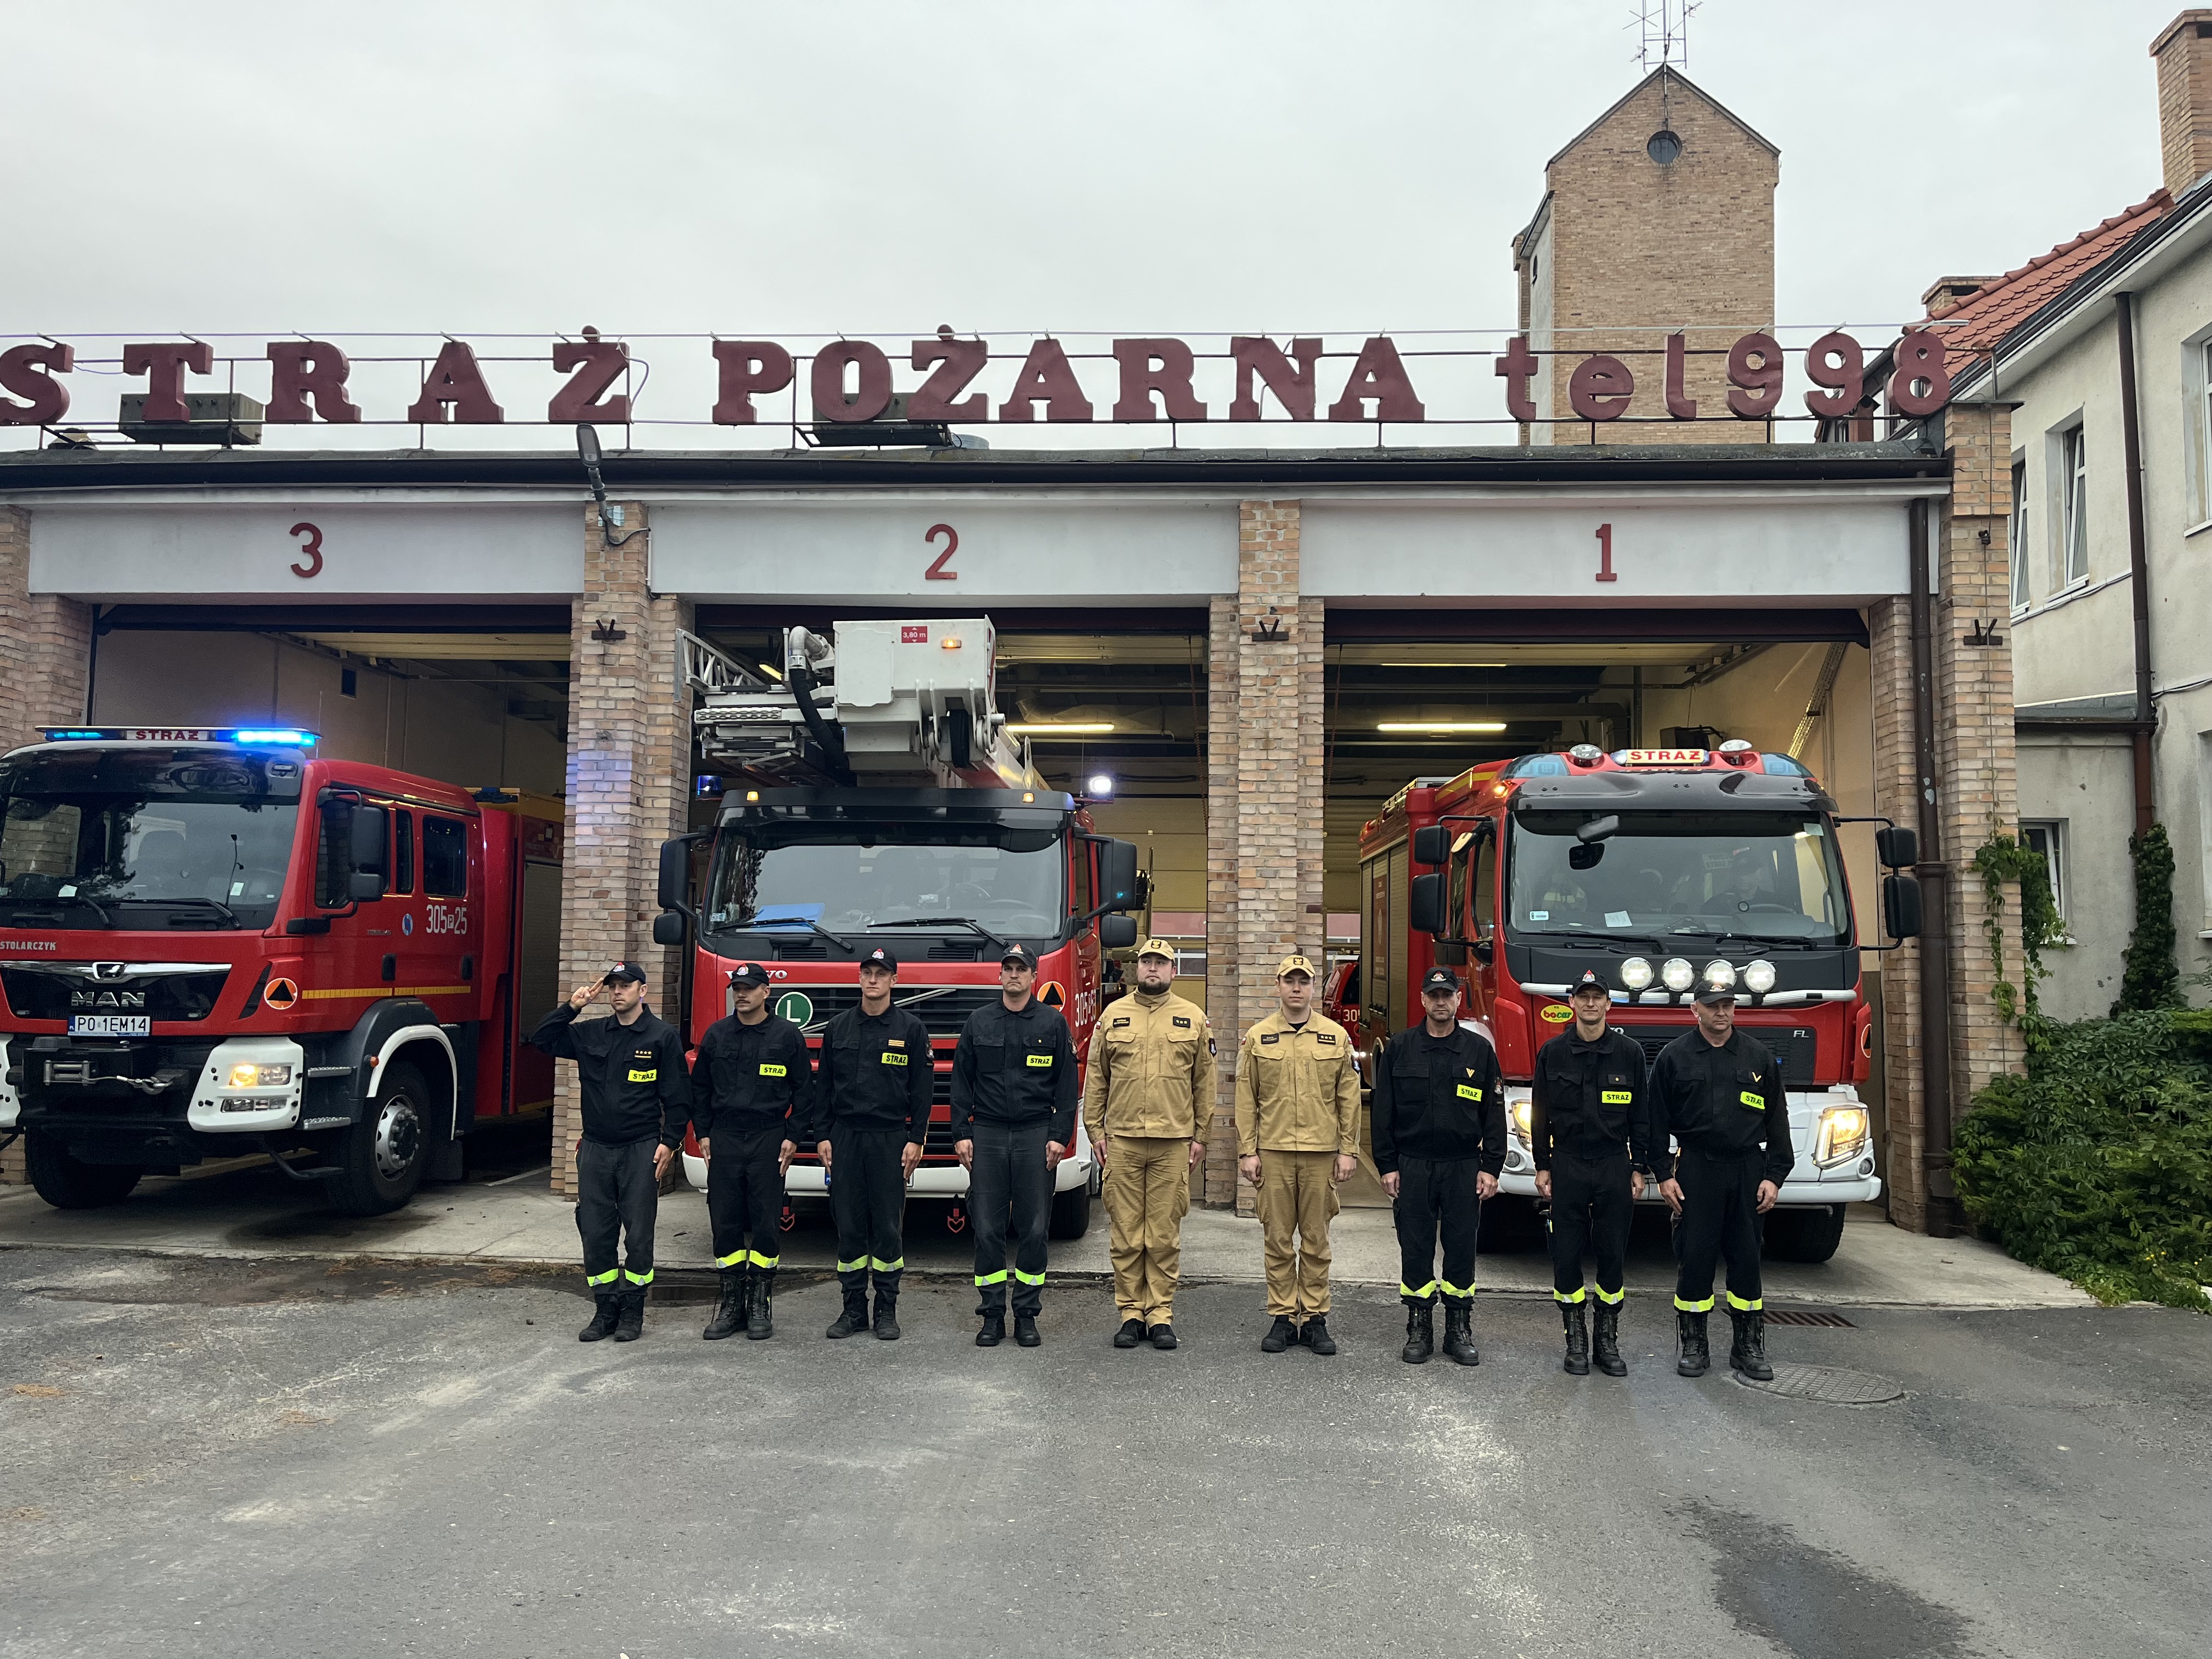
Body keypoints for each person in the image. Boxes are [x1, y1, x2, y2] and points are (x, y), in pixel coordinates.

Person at [531, 961, 691, 1344]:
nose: (618, 992)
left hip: (641, 1149)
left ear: (642, 991)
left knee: (638, 1235)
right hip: (596, 1149)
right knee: (596, 1231)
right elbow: (540, 1039)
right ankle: (605, 1309)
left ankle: (633, 1311)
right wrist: (573, 1006)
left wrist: (670, 1142)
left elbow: (679, 1097)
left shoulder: (662, 1037)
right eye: (613, 986)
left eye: (626, 985)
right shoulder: (590, 1033)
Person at [1650, 979, 1796, 1380]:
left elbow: (1777, 1120)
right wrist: (1663, 1174)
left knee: (1747, 1258)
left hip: (1748, 1169)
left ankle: (1748, 1345)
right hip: (1696, 1168)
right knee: (1695, 1257)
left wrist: (1775, 1177)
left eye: (1728, 1005)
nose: (1721, 1012)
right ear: (1694, 1009)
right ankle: (1694, 1344)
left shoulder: (1758, 1056)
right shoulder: (1674, 1057)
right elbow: (1655, 1121)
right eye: (1713, 1005)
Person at [1081, 938, 1212, 1350]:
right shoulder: (1113, 1016)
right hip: (1123, 1141)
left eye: (1161, 962)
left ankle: (1160, 1315)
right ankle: (1130, 1314)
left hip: (1173, 1142)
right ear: (1136, 968)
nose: (1152, 968)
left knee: (1163, 1235)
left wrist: (1201, 1136)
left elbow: (1205, 1084)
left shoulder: (1193, 1018)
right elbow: (1096, 1078)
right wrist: (1096, 1132)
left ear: (1174, 970)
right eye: (1146, 962)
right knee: (1125, 1234)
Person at [1371, 968, 1505, 1368]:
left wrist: (1492, 1166)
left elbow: (1494, 1113)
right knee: (1416, 1246)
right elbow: (1383, 1112)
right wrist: (1387, 1165)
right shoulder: (1401, 1048)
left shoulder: (1478, 1051)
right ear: (1423, 1000)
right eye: (1434, 995)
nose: (1441, 1002)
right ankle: (1419, 1328)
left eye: (1448, 995)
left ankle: (1458, 1329)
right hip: (1413, 1165)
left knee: (1461, 1247)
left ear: (1458, 1000)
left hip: (1463, 1165)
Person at [951, 943, 1079, 1348]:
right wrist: (961, 1133)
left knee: (1035, 1229)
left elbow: (1066, 1085)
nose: (1014, 975)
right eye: (1008, 968)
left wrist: (1060, 1136)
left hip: (1035, 1135)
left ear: (1034, 977)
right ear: (1000, 975)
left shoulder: (1052, 1023)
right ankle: (992, 1316)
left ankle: (1026, 1315)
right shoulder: (979, 1022)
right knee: (987, 1229)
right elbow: (961, 1082)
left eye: (1021, 969)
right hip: (988, 1134)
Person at [1234, 953, 1362, 1356]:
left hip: (1320, 1154)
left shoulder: (1336, 1037)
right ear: (1278, 986)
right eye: (1289, 981)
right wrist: (1247, 1151)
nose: (1296, 988)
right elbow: (1246, 1099)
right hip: (1272, 1153)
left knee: (1316, 1240)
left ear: (1313, 988)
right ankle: (1283, 1317)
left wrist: (1348, 1150)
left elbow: (1349, 1099)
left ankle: (1315, 1318)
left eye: (1303, 981)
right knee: (1277, 1239)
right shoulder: (1258, 1038)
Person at [688, 961, 819, 1342]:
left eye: (748, 988)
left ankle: (760, 1302)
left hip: (769, 1137)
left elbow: (805, 1092)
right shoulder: (717, 1035)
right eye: (737, 988)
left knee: (765, 1221)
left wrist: (794, 1136)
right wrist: (704, 1132)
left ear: (766, 992)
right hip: (725, 1137)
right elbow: (700, 1089)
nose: (741, 994)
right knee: (725, 1219)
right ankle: (731, 1304)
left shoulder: (787, 1036)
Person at [1531, 967, 1651, 1377]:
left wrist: (1639, 1166)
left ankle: (1606, 1339)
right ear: (1572, 1003)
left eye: (1597, 997)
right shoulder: (1553, 1052)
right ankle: (1576, 1340)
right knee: (1566, 1253)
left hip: (1613, 1163)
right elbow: (1540, 1113)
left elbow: (1641, 1115)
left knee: (1612, 1253)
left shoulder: (1629, 1053)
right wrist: (1542, 1165)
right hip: (1567, 1162)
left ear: (1608, 1004)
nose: (1590, 1003)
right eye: (1583, 997)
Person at [817, 945, 933, 1341]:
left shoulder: (911, 1030)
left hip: (889, 1138)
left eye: (881, 974)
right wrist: (823, 1136)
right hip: (846, 1137)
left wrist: (916, 1139)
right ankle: (853, 1310)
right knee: (848, 1225)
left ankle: (886, 1309)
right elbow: (823, 1087)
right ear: (859, 978)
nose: (873, 979)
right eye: (867, 972)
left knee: (887, 1227)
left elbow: (922, 1091)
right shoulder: (838, 1028)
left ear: (893, 981)